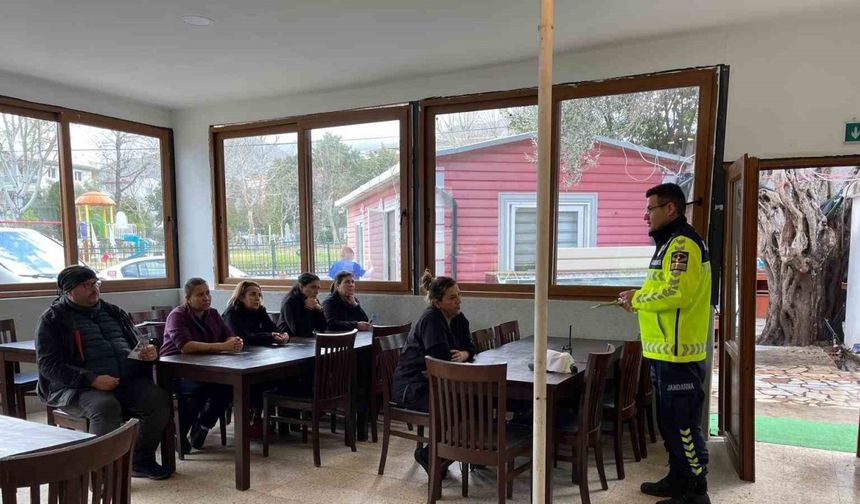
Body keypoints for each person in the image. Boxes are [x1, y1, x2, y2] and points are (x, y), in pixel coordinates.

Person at [619, 183, 712, 504]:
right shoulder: (668, 244)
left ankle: (697, 492)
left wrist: (639, 298)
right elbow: (665, 287)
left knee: (684, 426)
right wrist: (637, 296)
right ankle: (677, 479)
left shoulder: (683, 244)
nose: (645, 216)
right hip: (663, 351)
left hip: (679, 354)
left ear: (670, 209)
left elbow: (677, 293)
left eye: (650, 209)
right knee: (669, 424)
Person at [35, 265, 172, 480]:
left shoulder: (112, 312)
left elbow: (138, 340)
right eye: (86, 285)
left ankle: (140, 459)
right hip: (75, 388)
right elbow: (49, 365)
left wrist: (149, 350)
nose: (94, 289)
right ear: (69, 291)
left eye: (96, 283)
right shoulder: (53, 319)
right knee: (105, 407)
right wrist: (91, 379)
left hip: (124, 380)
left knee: (159, 400)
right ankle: (100, 475)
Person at [390, 270, 476, 474]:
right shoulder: (431, 319)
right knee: (459, 405)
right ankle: (430, 454)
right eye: (452, 297)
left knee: (470, 402)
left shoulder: (458, 318)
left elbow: (469, 347)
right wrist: (453, 362)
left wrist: (464, 354)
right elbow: (439, 359)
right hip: (412, 386)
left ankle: (463, 453)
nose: (459, 301)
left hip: (434, 382)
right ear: (437, 302)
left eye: (459, 295)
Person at [162, 278, 243, 454]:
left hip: (206, 368)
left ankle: (203, 426)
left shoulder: (212, 314)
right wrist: (222, 346)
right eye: (200, 295)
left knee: (228, 387)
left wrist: (234, 342)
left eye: (208, 293)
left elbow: (228, 335)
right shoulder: (177, 316)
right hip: (176, 371)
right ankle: (178, 433)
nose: (206, 298)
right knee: (197, 389)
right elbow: (186, 347)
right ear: (188, 298)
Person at [223, 280, 290, 346]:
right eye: (253, 294)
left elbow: (272, 328)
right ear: (241, 297)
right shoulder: (232, 313)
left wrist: (283, 335)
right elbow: (241, 338)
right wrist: (270, 337)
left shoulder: (260, 310)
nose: (257, 298)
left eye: (259, 295)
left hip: (256, 350)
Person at [277, 273, 327, 338]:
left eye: (318, 288)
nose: (317, 291)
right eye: (313, 287)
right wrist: (308, 308)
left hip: (306, 340)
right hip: (290, 340)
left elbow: (322, 328)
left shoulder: (312, 299)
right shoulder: (290, 301)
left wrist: (320, 310)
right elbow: (298, 331)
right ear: (301, 286)